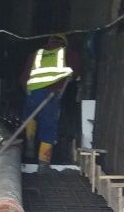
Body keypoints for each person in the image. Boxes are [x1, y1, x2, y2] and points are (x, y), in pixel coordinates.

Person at [19, 34, 80, 171]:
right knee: (48, 127)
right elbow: (75, 73)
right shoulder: (68, 53)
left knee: (30, 117)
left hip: (32, 92)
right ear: (64, 43)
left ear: (49, 41)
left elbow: (24, 77)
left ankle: (29, 145)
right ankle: (43, 162)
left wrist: (28, 91)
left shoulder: (36, 53)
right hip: (50, 94)